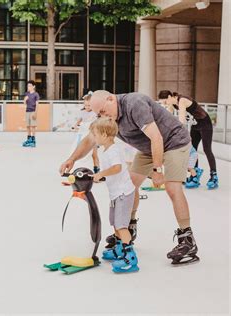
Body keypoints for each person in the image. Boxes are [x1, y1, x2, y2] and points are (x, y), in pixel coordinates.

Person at [59, 90, 200, 266]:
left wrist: (157, 170)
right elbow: (90, 139)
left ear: (111, 99)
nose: (102, 116)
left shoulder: (135, 104)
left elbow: (156, 137)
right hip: (149, 148)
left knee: (172, 188)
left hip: (173, 142)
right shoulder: (108, 117)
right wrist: (71, 159)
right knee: (129, 185)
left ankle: (187, 239)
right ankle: (128, 228)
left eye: (103, 111)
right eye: (98, 114)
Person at [89, 117, 139, 273]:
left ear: (104, 135)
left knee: (121, 225)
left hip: (123, 193)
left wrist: (102, 173)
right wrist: (100, 177)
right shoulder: (106, 151)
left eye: (95, 134)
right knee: (115, 223)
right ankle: (119, 249)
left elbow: (117, 168)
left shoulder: (114, 150)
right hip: (116, 194)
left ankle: (130, 258)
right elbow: (112, 172)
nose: (94, 137)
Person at [158, 91, 218, 189]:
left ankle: (214, 175)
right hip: (195, 126)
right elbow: (168, 117)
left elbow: (182, 121)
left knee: (207, 149)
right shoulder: (173, 104)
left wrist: (176, 132)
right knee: (191, 149)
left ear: (169, 97)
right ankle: (195, 175)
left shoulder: (182, 100)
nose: (165, 104)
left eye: (165, 102)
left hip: (205, 124)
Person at [72, 91, 100, 173]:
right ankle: (79, 168)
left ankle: (97, 169)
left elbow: (97, 123)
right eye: (86, 105)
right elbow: (79, 120)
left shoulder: (94, 113)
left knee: (94, 154)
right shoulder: (83, 112)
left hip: (92, 136)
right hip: (83, 135)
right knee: (82, 151)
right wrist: (75, 125)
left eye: (89, 105)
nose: (87, 107)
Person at [22, 80, 40, 148]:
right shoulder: (27, 94)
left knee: (33, 126)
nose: (28, 87)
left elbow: (37, 104)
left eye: (30, 86)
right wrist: (24, 100)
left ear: (33, 86)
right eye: (28, 86)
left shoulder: (36, 94)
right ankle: (29, 139)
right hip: (27, 111)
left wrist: (35, 113)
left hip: (33, 111)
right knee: (28, 126)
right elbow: (24, 103)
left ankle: (33, 140)